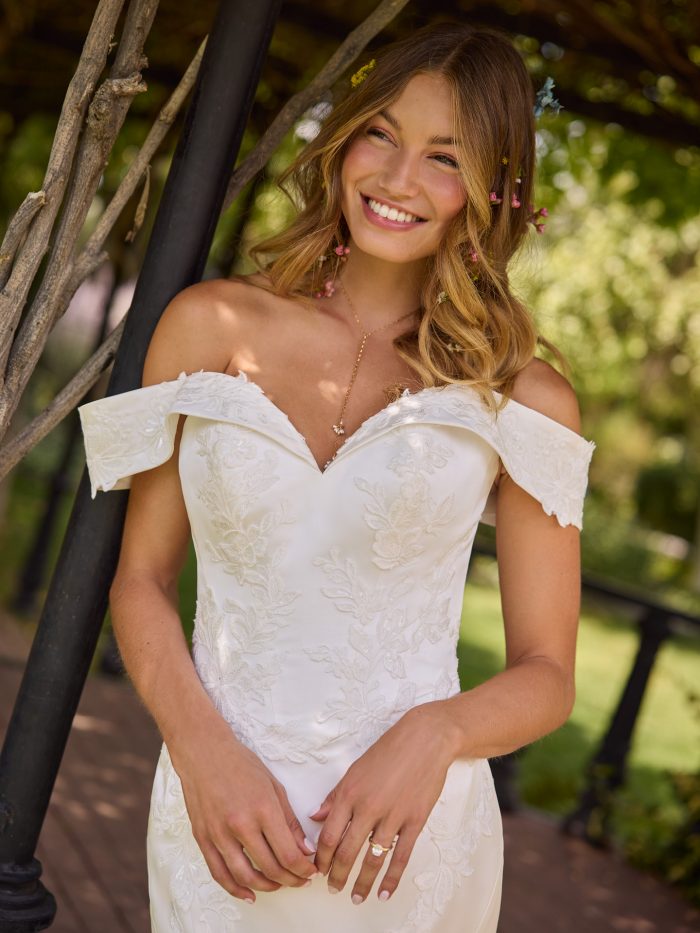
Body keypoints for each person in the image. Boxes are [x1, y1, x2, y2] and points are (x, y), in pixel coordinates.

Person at [79, 21, 595, 933]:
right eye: (382, 134)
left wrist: (436, 736)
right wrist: (203, 753)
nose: (397, 180)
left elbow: (549, 674)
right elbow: (140, 580)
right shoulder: (207, 326)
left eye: (445, 157)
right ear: (344, 137)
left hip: (405, 844)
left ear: (494, 191)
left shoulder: (526, 401)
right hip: (219, 821)